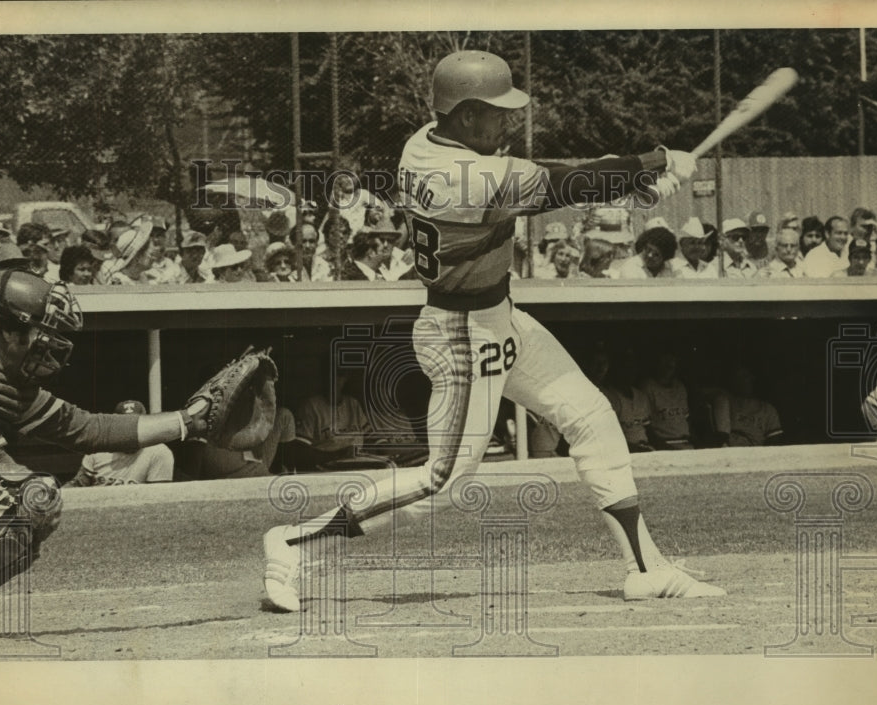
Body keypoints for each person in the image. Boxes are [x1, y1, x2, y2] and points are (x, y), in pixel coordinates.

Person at [260, 49, 723, 613]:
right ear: (465, 115)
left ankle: (645, 569)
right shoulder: (463, 176)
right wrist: (652, 162)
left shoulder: (424, 143)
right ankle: (291, 543)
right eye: (498, 112)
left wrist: (633, 184)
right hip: (460, 334)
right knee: (442, 480)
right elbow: (562, 183)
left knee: (592, 417)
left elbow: (556, 180)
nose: (509, 122)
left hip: (499, 316)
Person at [0, 265, 216, 645]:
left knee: (34, 498)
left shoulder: (5, 383)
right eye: (42, 331)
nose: (50, 343)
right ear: (7, 329)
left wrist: (187, 422)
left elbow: (89, 429)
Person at [64, 400, 175, 486]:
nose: (129, 431)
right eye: (124, 425)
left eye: (134, 425)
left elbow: (158, 499)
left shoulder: (159, 452)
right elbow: (79, 484)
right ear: (116, 426)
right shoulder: (99, 447)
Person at [711, 365, 784, 447]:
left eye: (746, 376)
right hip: (730, 453)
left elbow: (774, 444)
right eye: (738, 377)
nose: (745, 381)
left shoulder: (767, 410)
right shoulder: (724, 402)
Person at [601, 348, 655, 453]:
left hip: (645, 448)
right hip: (623, 452)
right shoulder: (607, 396)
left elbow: (648, 430)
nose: (629, 372)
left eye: (632, 368)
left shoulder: (641, 396)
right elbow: (609, 438)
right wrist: (636, 450)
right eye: (624, 368)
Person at [641, 350, 693, 450]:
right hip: (665, 444)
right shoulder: (647, 387)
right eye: (665, 361)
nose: (669, 365)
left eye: (672, 361)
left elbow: (686, 419)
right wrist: (662, 446)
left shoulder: (680, 387)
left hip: (685, 443)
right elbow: (646, 425)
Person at [100, 219, 157, 285]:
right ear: (137, 257)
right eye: (151, 254)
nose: (154, 258)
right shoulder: (121, 282)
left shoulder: (141, 277)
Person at [608, 226, 678, 279]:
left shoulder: (671, 268)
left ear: (665, 258)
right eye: (648, 249)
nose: (650, 255)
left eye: (656, 254)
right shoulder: (630, 268)